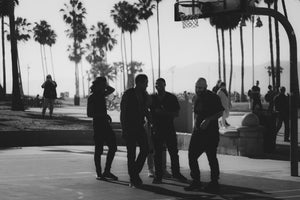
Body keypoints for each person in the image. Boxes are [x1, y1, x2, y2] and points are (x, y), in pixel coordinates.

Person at [184, 78, 224, 193]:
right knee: (192, 155)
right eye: (196, 87)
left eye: (200, 88)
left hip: (211, 134)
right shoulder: (196, 97)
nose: (198, 90)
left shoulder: (213, 97)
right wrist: (195, 126)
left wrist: (209, 119)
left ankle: (214, 182)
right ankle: (196, 181)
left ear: (205, 87)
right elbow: (196, 114)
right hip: (197, 133)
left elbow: (220, 112)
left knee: (211, 158)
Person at [150, 78, 187, 184]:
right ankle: (158, 175)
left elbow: (176, 113)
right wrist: (152, 124)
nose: (158, 86)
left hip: (169, 128)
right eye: (156, 84)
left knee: (174, 152)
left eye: (160, 84)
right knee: (157, 154)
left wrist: (163, 113)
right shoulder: (152, 98)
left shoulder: (171, 98)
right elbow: (147, 112)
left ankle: (176, 173)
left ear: (165, 85)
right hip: (157, 129)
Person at [120, 74, 150, 187]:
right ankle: (133, 178)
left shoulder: (144, 94)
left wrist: (151, 121)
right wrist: (124, 128)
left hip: (139, 126)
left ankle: (134, 173)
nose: (147, 85)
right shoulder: (128, 94)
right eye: (146, 83)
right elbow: (123, 112)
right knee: (131, 154)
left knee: (145, 149)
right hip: (129, 127)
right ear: (140, 83)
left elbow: (145, 109)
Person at [87, 77, 118, 181]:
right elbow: (89, 114)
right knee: (99, 150)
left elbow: (112, 90)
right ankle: (99, 173)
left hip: (105, 124)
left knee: (113, 146)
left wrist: (104, 85)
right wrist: (103, 115)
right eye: (103, 84)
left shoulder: (101, 94)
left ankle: (107, 171)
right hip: (98, 125)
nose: (105, 86)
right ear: (98, 85)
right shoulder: (92, 97)